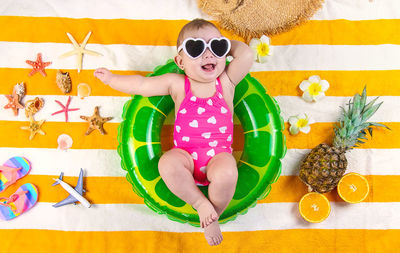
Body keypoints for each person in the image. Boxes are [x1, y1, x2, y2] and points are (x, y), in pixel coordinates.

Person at [94, 18, 253, 246]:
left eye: (215, 47)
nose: (208, 55)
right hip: (185, 156)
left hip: (219, 156)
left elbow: (246, 55)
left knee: (228, 173)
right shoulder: (178, 84)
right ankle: (200, 204)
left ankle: (213, 214)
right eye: (196, 48)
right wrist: (112, 80)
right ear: (180, 61)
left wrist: (224, 44)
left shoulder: (226, 82)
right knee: (167, 164)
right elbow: (141, 86)